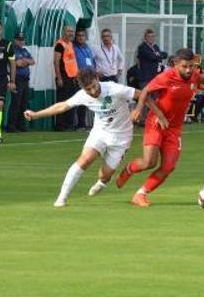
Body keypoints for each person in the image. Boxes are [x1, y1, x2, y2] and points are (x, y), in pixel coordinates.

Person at [116, 48, 204, 207]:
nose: (188, 70)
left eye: (191, 66)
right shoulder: (167, 77)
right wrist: (141, 110)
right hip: (157, 123)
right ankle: (129, 170)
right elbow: (145, 91)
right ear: (175, 64)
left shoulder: (193, 75)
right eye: (184, 66)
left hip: (174, 128)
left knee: (168, 167)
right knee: (149, 162)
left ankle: (140, 194)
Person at [25, 68, 140, 207]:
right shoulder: (82, 95)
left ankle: (103, 182)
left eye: (93, 86)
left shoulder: (114, 88)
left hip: (122, 136)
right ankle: (62, 198)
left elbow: (141, 94)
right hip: (100, 132)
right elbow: (61, 106)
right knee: (85, 159)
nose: (92, 92)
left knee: (104, 175)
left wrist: (137, 110)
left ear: (97, 79)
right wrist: (36, 114)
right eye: (88, 89)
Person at [7, 33, 35, 132]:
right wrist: (23, 61)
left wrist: (25, 61)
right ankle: (11, 125)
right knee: (16, 103)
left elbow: (32, 61)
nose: (21, 41)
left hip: (25, 79)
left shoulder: (24, 50)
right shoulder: (12, 50)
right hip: (17, 79)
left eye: (22, 39)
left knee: (23, 103)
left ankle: (21, 125)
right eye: (19, 39)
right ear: (15, 40)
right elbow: (16, 63)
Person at [53, 25, 78, 131]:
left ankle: (69, 124)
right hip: (64, 76)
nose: (70, 33)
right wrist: (59, 78)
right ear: (63, 32)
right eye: (68, 31)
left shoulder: (71, 44)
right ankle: (60, 125)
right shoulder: (60, 44)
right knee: (62, 101)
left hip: (72, 77)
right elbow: (56, 62)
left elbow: (73, 62)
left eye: (72, 31)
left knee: (71, 102)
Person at [73, 28, 96, 130]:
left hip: (89, 78)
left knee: (85, 101)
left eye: (82, 35)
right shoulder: (73, 47)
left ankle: (82, 124)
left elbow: (92, 62)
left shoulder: (87, 48)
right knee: (76, 101)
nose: (81, 37)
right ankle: (74, 124)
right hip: (78, 78)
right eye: (78, 35)